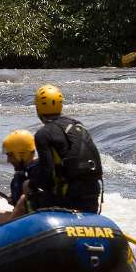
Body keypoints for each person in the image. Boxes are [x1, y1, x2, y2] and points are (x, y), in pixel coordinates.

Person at [26, 85, 104, 213]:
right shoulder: (78, 126)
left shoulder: (43, 134)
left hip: (67, 200)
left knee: (25, 201)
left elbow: (47, 174)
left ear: (38, 109)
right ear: (60, 106)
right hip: (92, 199)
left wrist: (30, 184)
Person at [0, 130, 38, 228]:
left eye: (10, 155)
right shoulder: (32, 170)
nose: (8, 161)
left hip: (36, 221)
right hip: (32, 217)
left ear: (22, 153)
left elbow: (25, 205)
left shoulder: (39, 172)